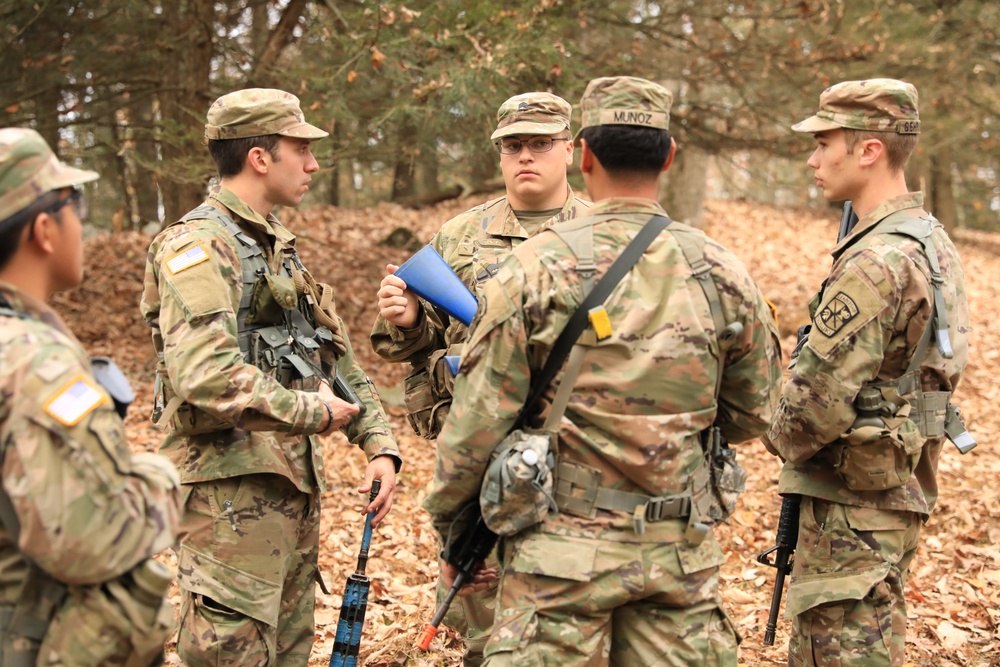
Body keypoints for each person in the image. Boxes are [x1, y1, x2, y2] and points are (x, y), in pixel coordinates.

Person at [423, 76, 783, 666]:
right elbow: (751, 415)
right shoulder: (721, 269)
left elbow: (477, 423)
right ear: (668, 156)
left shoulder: (531, 267)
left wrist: (455, 529)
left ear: (582, 154)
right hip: (678, 556)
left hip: (558, 558)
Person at [140, 89, 401, 667]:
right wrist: (314, 414)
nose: (312, 164)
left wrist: (378, 444)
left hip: (288, 495)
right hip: (228, 505)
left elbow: (333, 358)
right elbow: (203, 373)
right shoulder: (198, 246)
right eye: (301, 149)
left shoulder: (276, 250)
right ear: (260, 157)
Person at [371, 91, 591, 664]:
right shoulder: (462, 236)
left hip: (582, 450)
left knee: (576, 624)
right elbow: (412, 342)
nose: (526, 157)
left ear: (569, 149)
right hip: (482, 454)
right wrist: (410, 318)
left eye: (541, 144)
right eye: (513, 146)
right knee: (486, 623)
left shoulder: (600, 230)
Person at [763, 79, 970, 666]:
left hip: (852, 506)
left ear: (869, 150)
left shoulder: (876, 260)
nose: (813, 157)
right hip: (894, 487)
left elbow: (805, 415)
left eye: (824, 141)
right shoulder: (932, 241)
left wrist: (769, 418)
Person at [0, 127, 183, 664]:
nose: (83, 224)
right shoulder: (35, 363)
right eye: (73, 205)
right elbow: (91, 541)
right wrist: (157, 476)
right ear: (43, 230)